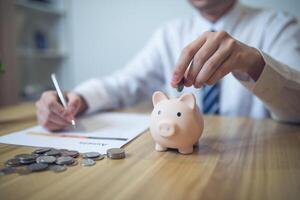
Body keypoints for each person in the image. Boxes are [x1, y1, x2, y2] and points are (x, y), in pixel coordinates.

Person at [36, 0, 300, 131]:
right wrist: (76, 98)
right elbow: (124, 83)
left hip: (259, 161)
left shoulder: (279, 26)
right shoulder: (169, 34)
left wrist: (255, 63)